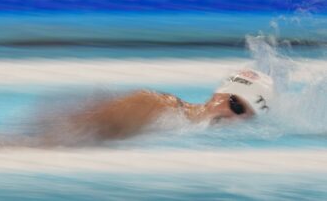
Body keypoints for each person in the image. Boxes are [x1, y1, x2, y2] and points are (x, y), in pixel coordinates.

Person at [42, 68, 274, 143]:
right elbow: (79, 131)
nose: (235, 118)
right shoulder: (156, 105)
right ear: (218, 95)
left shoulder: (189, 130)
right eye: (236, 105)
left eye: (247, 116)